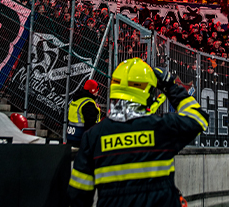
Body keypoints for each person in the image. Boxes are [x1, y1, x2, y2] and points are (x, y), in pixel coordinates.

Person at [67, 57, 209, 207]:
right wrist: (171, 87)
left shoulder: (93, 136)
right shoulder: (163, 127)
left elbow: (78, 195)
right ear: (148, 91)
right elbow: (199, 118)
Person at [66, 79, 101, 147]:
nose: (97, 92)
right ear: (93, 91)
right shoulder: (88, 104)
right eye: (97, 90)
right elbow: (90, 124)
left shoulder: (76, 100)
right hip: (81, 138)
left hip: (71, 136)